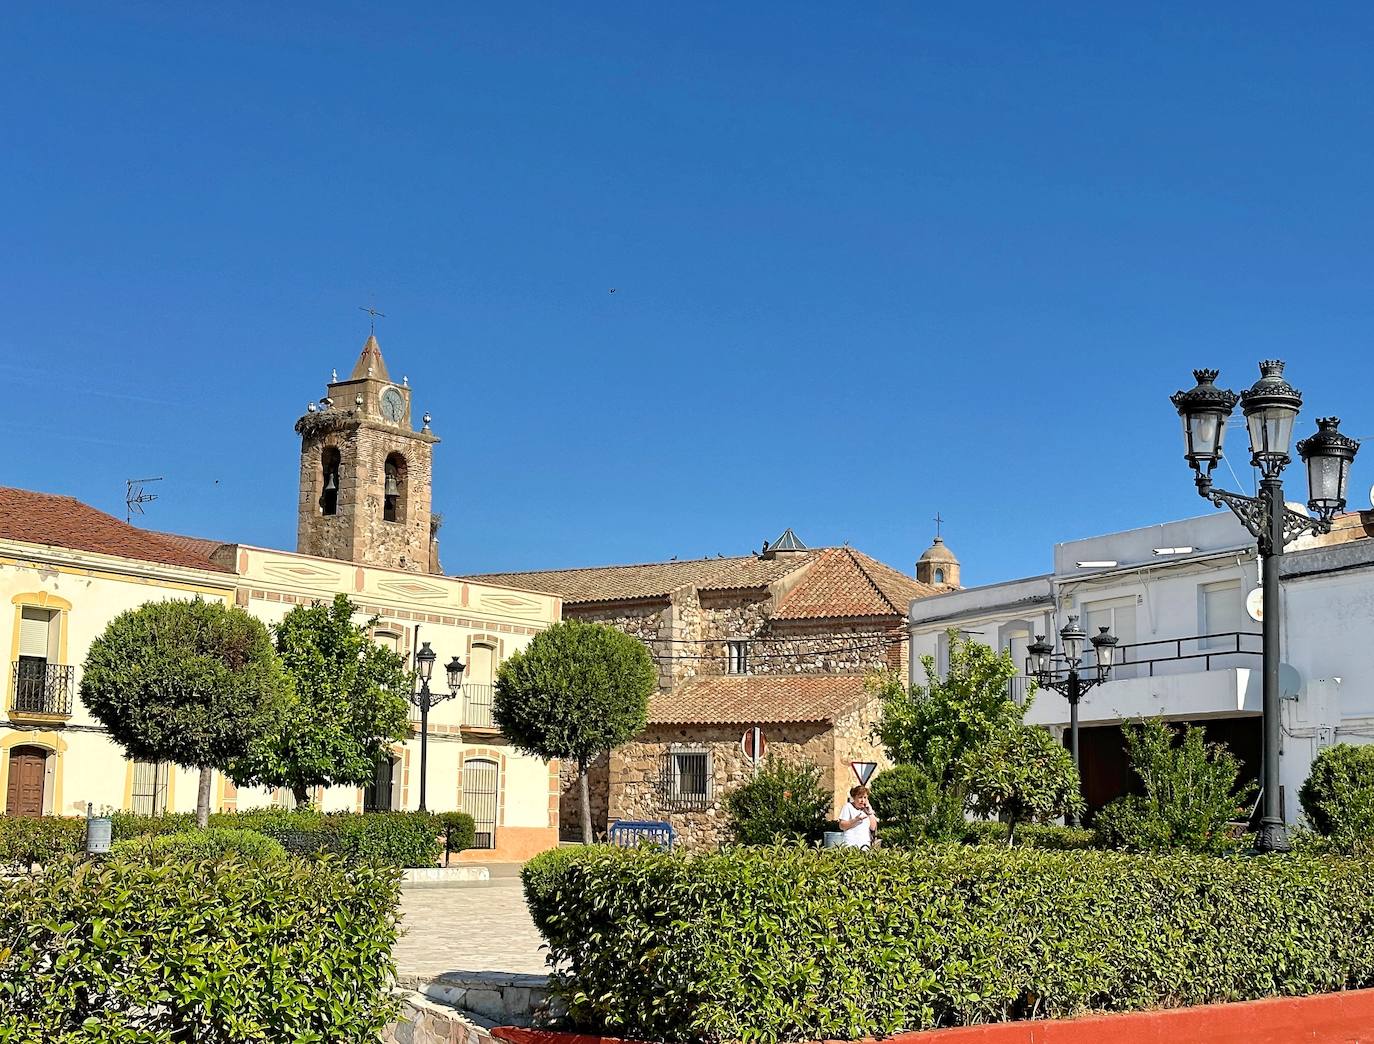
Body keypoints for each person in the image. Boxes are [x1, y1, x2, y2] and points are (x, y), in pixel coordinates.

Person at [838, 784, 878, 849]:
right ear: (854, 798)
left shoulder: (867, 809)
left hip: (865, 846)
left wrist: (870, 812)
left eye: (865, 797)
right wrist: (856, 819)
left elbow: (873, 827)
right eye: (860, 797)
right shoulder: (848, 807)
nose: (862, 800)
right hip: (850, 846)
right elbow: (842, 826)